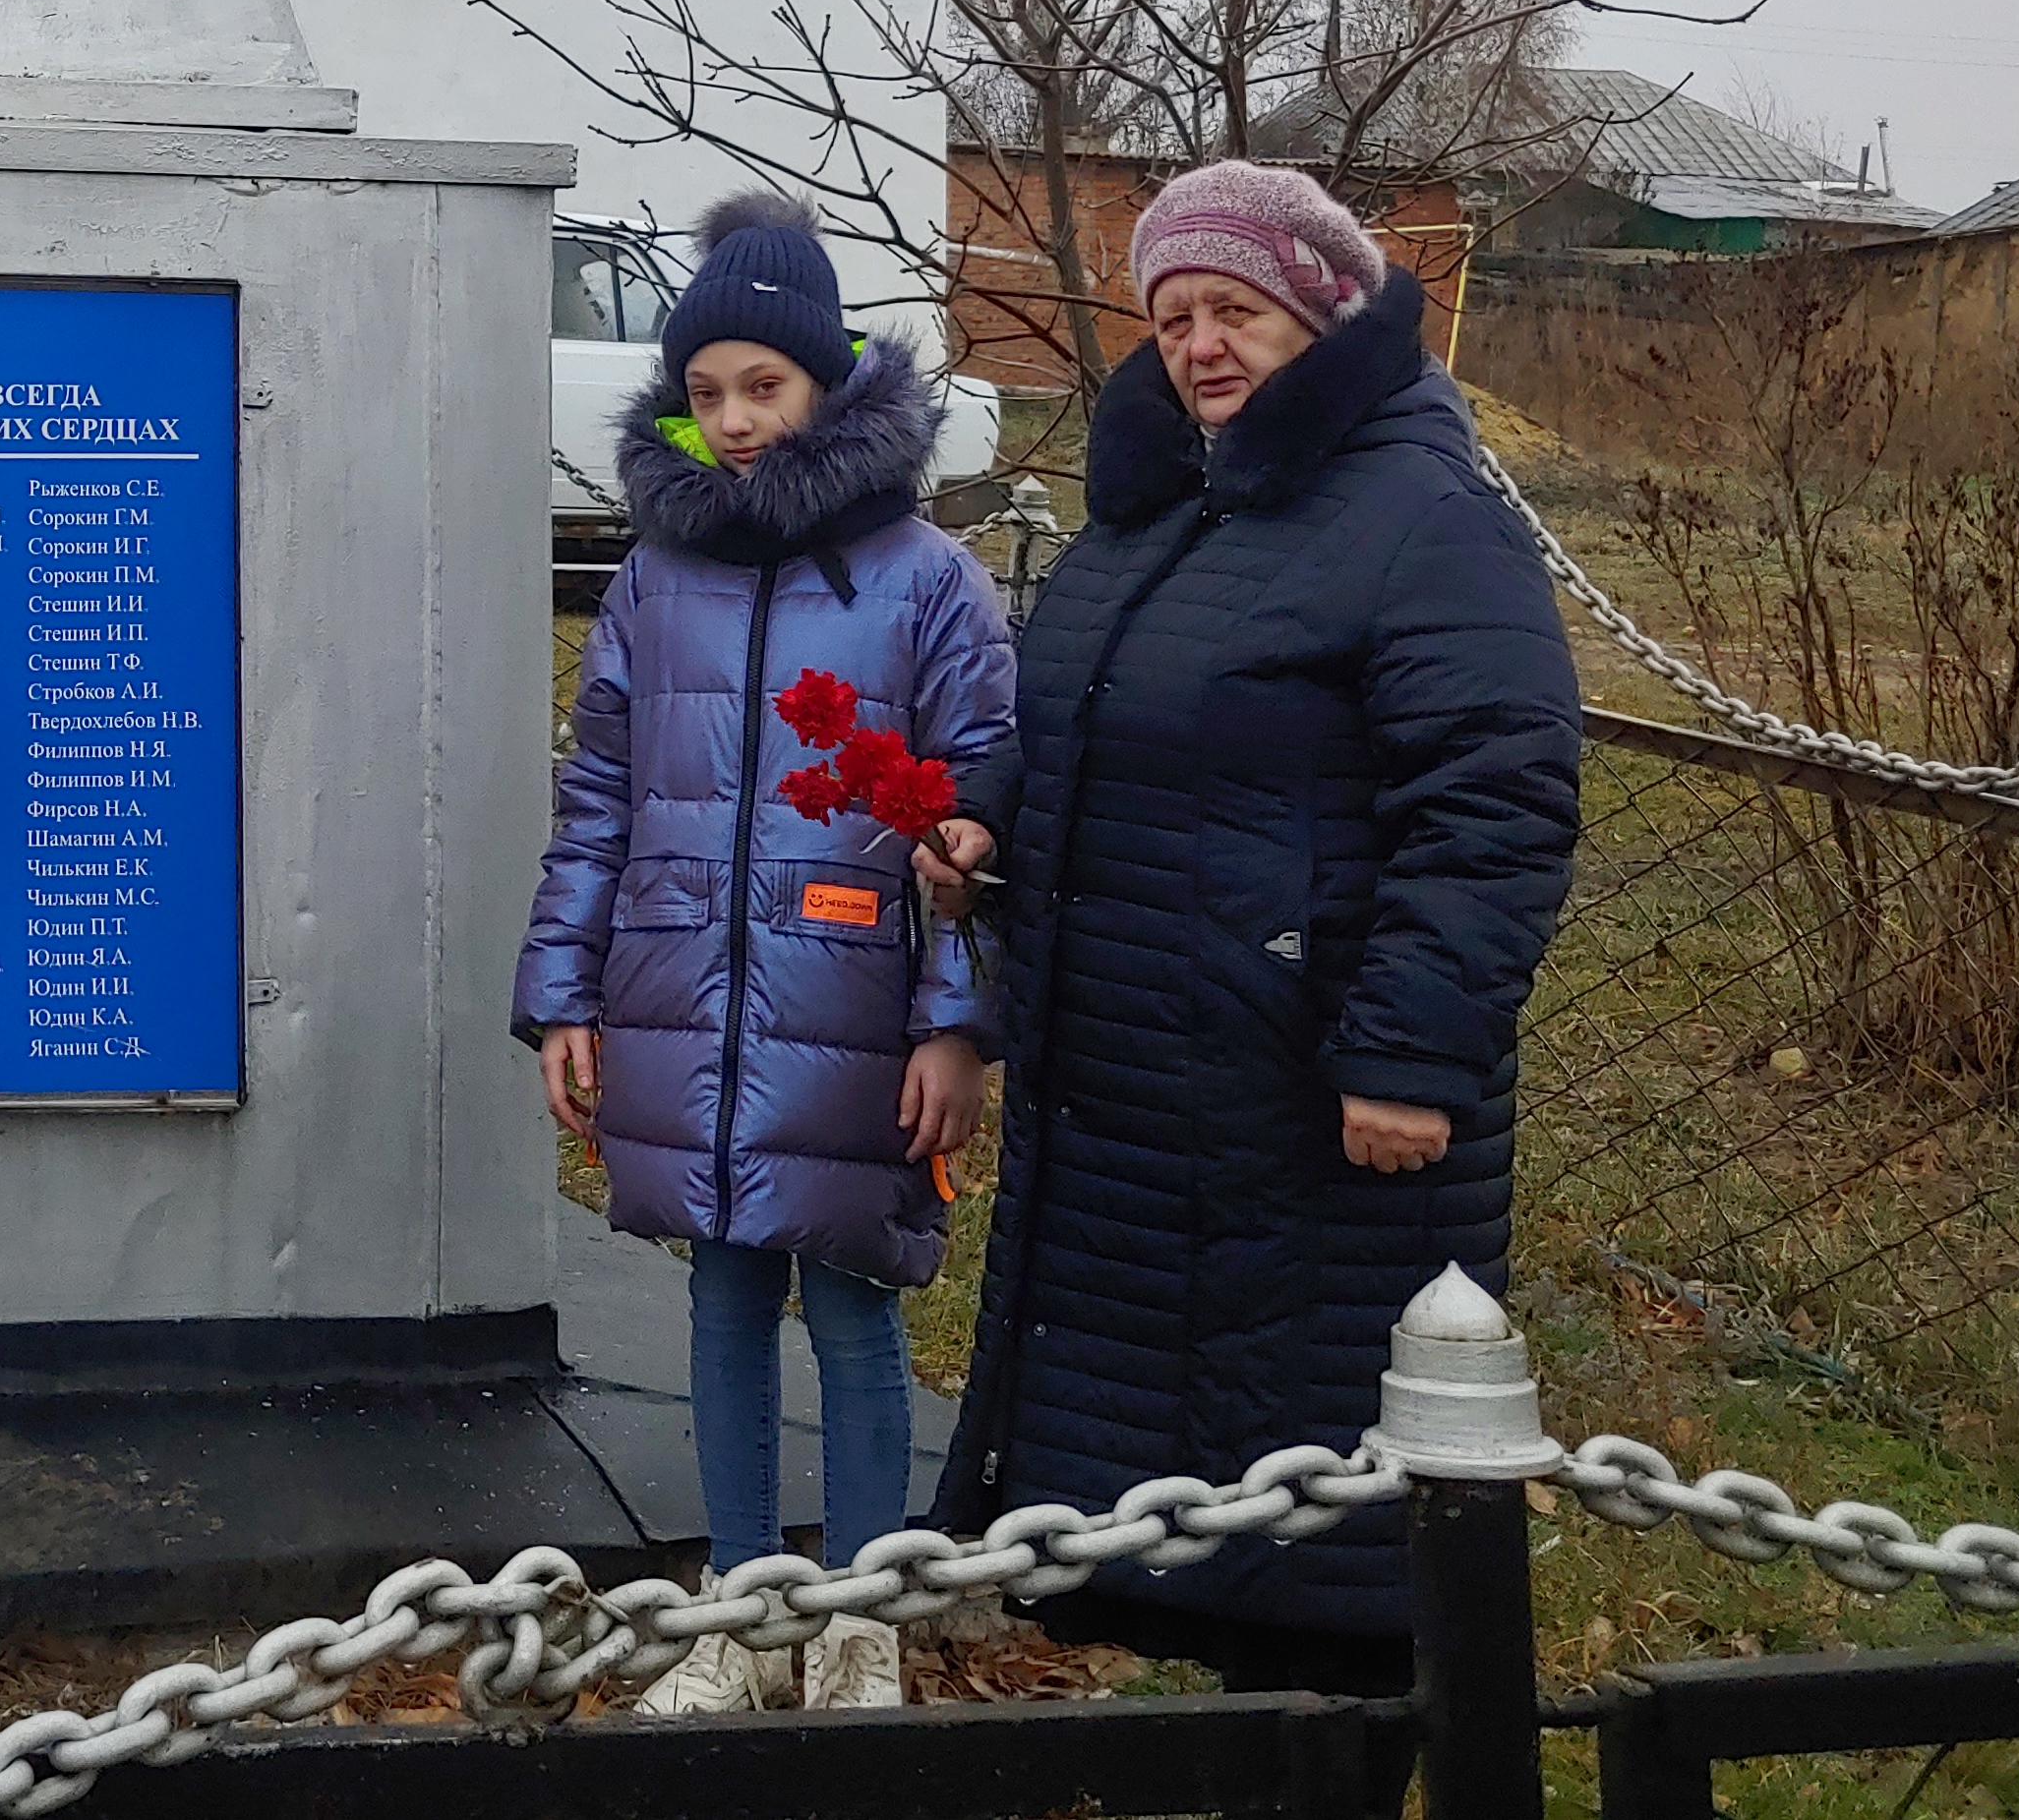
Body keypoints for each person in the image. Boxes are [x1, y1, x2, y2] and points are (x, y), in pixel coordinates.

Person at [922, 158, 1580, 1702]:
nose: (1202, 345)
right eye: (1173, 316)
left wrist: (1411, 1053)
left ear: (1324, 317)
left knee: (1326, 1532)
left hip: (1317, 1095)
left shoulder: (1424, 511)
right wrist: (990, 815)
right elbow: (1092, 717)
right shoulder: (1167, 502)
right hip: (1148, 1087)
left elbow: (1493, 802)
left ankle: (1344, 1761)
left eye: (1237, 311)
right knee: (1186, 1502)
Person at [514, 193, 1016, 1716]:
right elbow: (599, 791)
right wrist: (564, 996)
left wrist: (955, 1027)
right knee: (723, 1295)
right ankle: (741, 1600)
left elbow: (975, 824)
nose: (733, 423)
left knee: (854, 1298)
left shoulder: (926, 581)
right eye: (707, 391)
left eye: (765, 388)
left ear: (828, 385)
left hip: (854, 998)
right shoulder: (660, 577)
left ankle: (857, 1607)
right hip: (679, 994)